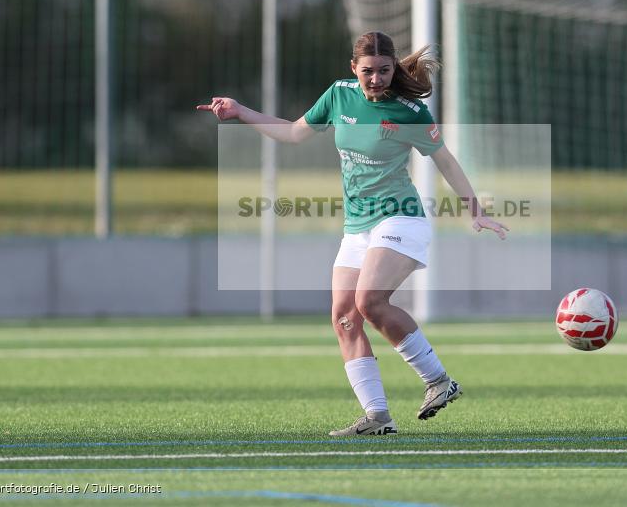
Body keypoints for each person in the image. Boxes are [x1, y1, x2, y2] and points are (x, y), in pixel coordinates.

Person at [197, 31, 508, 437]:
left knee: (369, 302)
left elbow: (445, 161)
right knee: (344, 317)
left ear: (394, 68)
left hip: (400, 218)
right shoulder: (338, 95)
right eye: (367, 72)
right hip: (357, 226)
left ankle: (438, 381)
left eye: (383, 71)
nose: (375, 79)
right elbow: (293, 133)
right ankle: (377, 416)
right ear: (353, 69)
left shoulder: (409, 112)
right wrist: (240, 111)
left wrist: (476, 211)